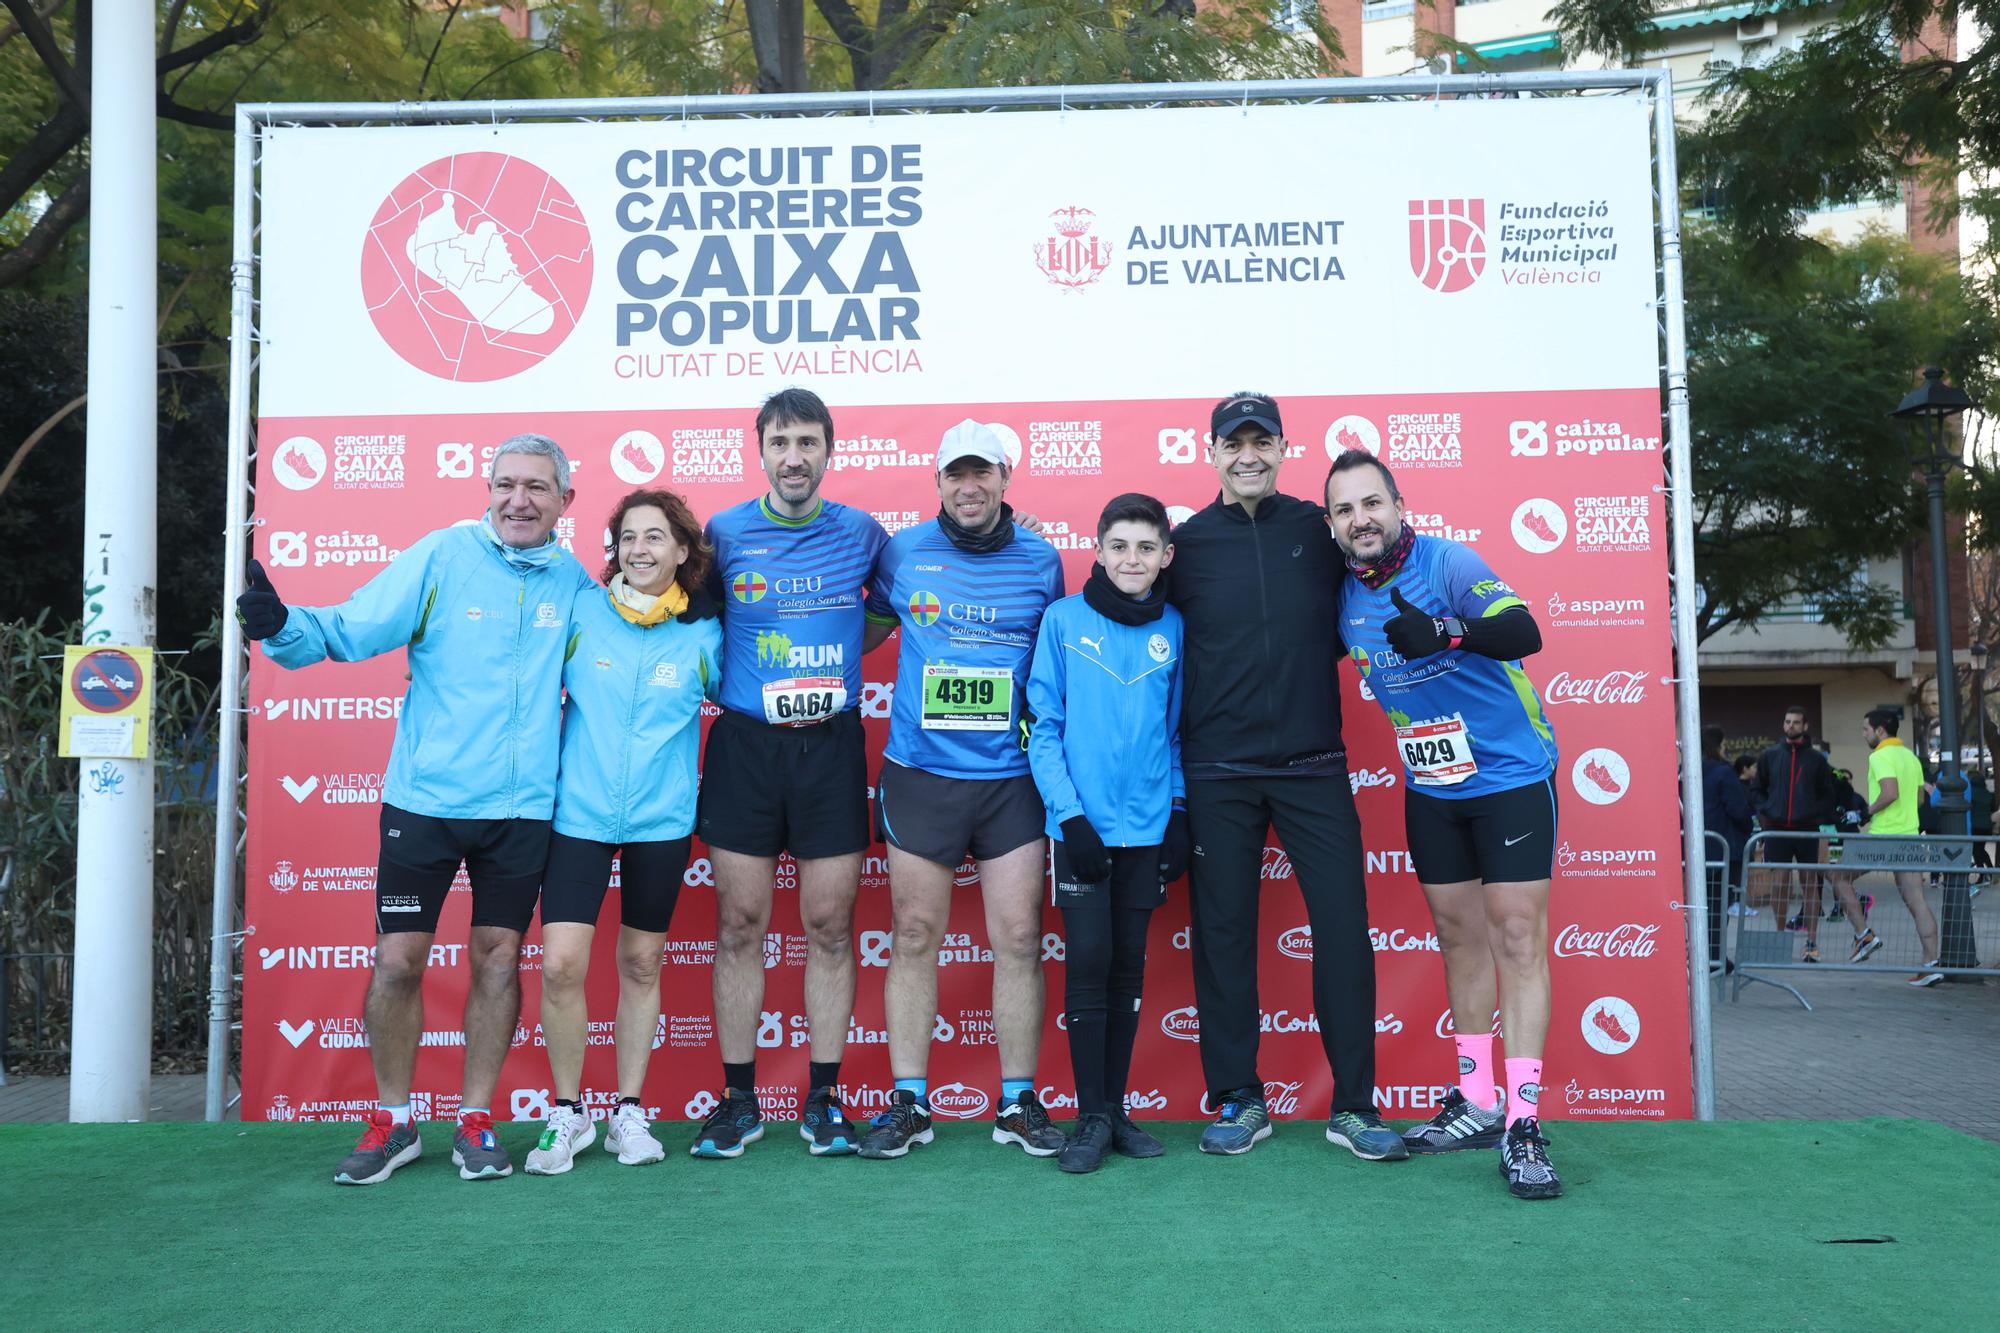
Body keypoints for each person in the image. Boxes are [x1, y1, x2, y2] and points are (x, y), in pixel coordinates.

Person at [237, 433, 595, 1185]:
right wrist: (279, 625)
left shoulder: (575, 584)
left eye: (536, 486)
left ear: (566, 499)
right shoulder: (442, 555)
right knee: (398, 959)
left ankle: (474, 1118)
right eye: (506, 484)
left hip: (522, 811)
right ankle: (394, 1120)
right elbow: (349, 626)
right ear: (487, 490)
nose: (518, 500)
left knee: (498, 961)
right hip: (424, 804)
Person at [1162, 393, 1401, 1162]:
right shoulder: (1185, 544)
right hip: (1217, 770)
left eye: (1262, 440)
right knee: (1224, 936)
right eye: (1234, 443)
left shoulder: (1317, 529)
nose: (1249, 455)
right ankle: (1239, 1097)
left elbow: (1384, 572)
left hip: (1314, 765)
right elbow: (1132, 617)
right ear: (1212, 454)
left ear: (1283, 447)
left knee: (1341, 929)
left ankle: (1354, 1106)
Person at [1325, 448, 1562, 1200]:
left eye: (1372, 503)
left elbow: (1523, 631)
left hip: (1510, 776)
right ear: (1332, 524)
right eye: (1344, 509)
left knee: (1517, 936)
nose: (1361, 518)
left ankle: (1523, 1122)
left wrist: (1450, 632)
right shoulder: (1342, 598)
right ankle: (1478, 1099)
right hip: (1432, 785)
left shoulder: (1448, 562)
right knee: (1458, 939)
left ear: (1398, 505)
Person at [687, 388, 896, 1159]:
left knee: (829, 928)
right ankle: (739, 1098)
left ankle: (824, 1098)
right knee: (739, 925)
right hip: (745, 746)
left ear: (829, 450)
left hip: (830, 747)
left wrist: (841, 647)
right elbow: (696, 625)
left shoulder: (863, 534)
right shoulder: (726, 531)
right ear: (762, 450)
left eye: (808, 442)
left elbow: (898, 607)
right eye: (781, 442)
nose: (795, 456)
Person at [856, 420, 1067, 1160]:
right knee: (914, 936)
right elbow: (870, 628)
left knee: (1017, 937)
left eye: (982, 473)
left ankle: (1017, 1100)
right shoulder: (903, 551)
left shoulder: (1043, 559)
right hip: (922, 775)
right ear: (937, 481)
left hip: (1011, 780)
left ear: (1006, 477)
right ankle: (908, 1101)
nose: (968, 486)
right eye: (955, 474)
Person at [524, 489, 722, 1174]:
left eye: (655, 537)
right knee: (561, 964)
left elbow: (747, 699)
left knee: (641, 963)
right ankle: (567, 1110)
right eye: (628, 537)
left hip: (660, 822)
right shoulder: (582, 610)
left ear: (682, 551)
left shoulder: (704, 632)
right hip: (577, 814)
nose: (639, 549)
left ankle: (628, 1112)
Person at [1025, 493, 1190, 1173]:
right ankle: (1088, 1114)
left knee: (1128, 965)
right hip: (1082, 829)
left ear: (1165, 556)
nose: (1131, 558)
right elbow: (1041, 728)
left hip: (1147, 827)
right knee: (1089, 960)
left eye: (1146, 547)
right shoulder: (1063, 620)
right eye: (1119, 545)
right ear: (1096, 550)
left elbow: (1177, 730)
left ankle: (1116, 1110)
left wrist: (1178, 811)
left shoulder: (1175, 627)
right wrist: (1069, 817)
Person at [1858, 709, 1943, 985]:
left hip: (1884, 836)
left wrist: (1866, 812)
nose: (1864, 734)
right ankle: (1931, 963)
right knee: (1916, 901)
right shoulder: (1911, 757)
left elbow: (1890, 793)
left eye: (1866, 729)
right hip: (1910, 836)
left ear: (1880, 730)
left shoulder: (1879, 756)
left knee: (1837, 877)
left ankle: (1864, 936)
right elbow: (1919, 799)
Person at [1749, 707, 1836, 949]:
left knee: (1810, 884)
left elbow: (1828, 795)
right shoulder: (1770, 756)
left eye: (1796, 722)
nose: (1791, 726)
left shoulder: (1817, 760)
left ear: (1805, 726)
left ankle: (1812, 941)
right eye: (1787, 722)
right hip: (1777, 829)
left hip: (1807, 829)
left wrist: (1814, 814)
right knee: (1779, 885)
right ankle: (1779, 935)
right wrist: (1766, 811)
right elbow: (1756, 789)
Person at [1701, 726, 1753, 969]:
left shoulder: (1684, 770)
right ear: (1717, 746)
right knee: (1718, 905)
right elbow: (1738, 809)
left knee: (1700, 905)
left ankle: (1706, 954)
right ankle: (1715, 956)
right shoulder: (1723, 772)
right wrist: (1747, 829)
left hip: (1696, 848)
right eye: (1723, 745)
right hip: (1723, 847)